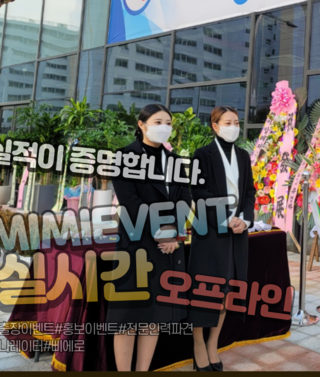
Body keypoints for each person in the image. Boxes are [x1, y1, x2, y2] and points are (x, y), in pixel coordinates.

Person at [108, 104, 191, 372]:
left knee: (154, 316)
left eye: (168, 122)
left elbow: (185, 198)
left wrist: (175, 233)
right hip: (137, 245)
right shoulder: (125, 157)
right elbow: (130, 201)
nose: (164, 127)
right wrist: (160, 232)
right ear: (142, 124)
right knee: (127, 317)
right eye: (158, 121)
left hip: (168, 248)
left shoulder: (174, 160)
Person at [188, 106, 256, 372]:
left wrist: (245, 220)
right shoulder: (202, 155)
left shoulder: (243, 155)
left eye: (236, 122)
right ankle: (197, 344)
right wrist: (226, 218)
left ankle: (212, 343)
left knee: (227, 290)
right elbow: (198, 191)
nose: (234, 127)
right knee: (205, 290)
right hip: (211, 231)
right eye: (228, 123)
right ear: (215, 126)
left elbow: (249, 192)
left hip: (238, 233)